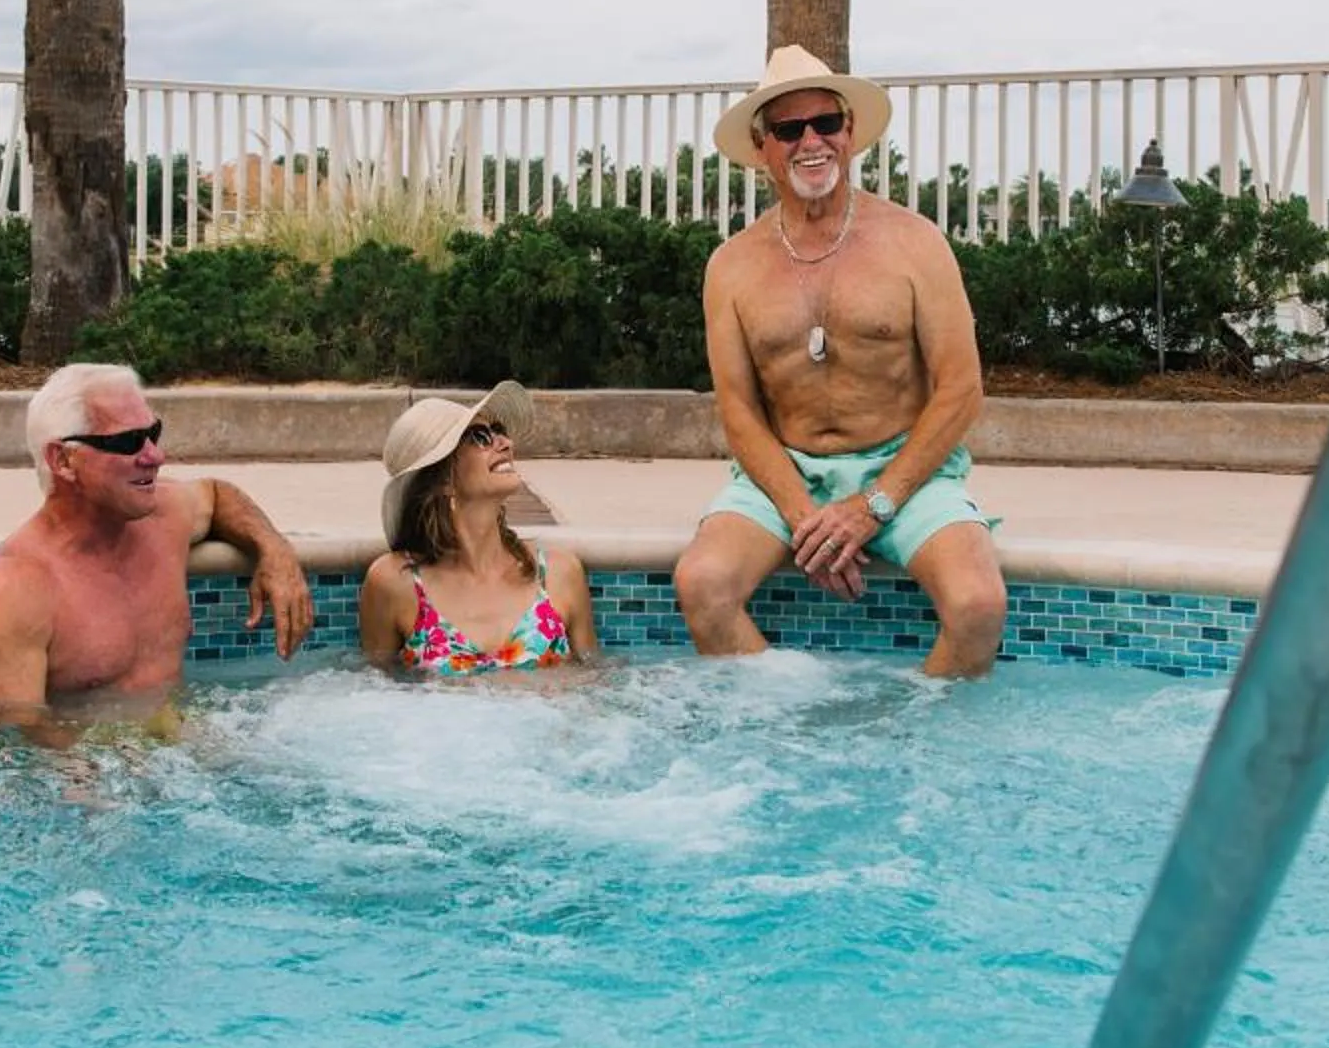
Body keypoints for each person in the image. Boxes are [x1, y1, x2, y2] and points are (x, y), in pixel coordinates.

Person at [672, 45, 1008, 678]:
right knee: (702, 585)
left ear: (850, 132)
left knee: (979, 604)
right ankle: (786, 730)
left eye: (825, 123)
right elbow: (740, 412)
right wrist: (806, 517)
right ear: (762, 145)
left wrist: (872, 505)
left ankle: (907, 741)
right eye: (789, 129)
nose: (811, 142)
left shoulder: (915, 243)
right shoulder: (732, 267)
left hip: (905, 470)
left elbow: (961, 389)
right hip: (786, 475)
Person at [0, 363, 316, 731]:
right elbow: (9, 747)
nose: (155, 456)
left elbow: (216, 495)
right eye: (128, 442)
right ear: (63, 460)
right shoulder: (13, 591)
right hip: (94, 777)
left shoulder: (163, 519)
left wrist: (275, 550)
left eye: (153, 433)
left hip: (180, 754)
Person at [357, 384, 599, 676]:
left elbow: (593, 689)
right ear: (443, 478)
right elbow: (376, 696)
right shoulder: (395, 584)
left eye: (499, 430)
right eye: (481, 437)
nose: (506, 443)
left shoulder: (558, 574)